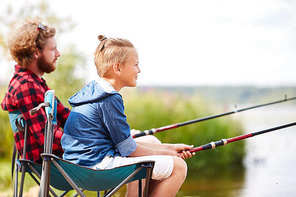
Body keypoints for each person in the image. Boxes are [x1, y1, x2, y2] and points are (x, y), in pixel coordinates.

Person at [61, 35, 194, 197]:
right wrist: (170, 153)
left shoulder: (93, 91)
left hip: (76, 167)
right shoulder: (109, 98)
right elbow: (128, 150)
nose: (139, 70)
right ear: (117, 68)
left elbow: (125, 145)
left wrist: (170, 149)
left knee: (150, 140)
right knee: (179, 167)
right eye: (136, 65)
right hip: (96, 169)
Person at [1, 19, 70, 163]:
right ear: (36, 52)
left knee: (126, 147)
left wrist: (95, 129)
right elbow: (47, 138)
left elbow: (66, 116)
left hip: (58, 159)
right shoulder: (25, 85)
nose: (58, 54)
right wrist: (88, 145)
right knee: (129, 156)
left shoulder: (36, 83)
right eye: (53, 49)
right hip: (50, 162)